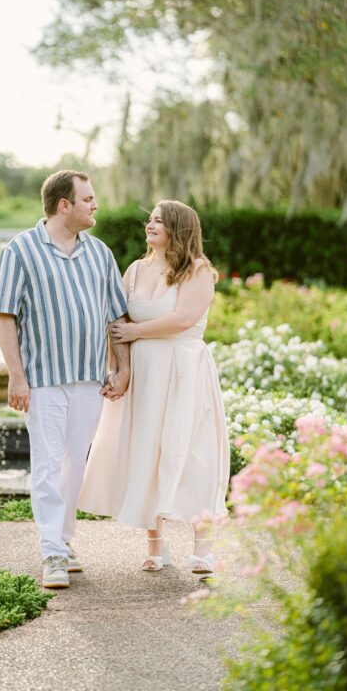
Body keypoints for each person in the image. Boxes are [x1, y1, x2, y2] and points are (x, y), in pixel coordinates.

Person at [0, 170, 131, 589]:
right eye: (88, 199)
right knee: (48, 465)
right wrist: (17, 377)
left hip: (90, 379)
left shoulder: (100, 253)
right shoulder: (20, 250)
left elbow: (116, 315)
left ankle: (65, 542)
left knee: (75, 468)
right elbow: (5, 316)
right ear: (63, 205)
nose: (95, 205)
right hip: (44, 380)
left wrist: (122, 368)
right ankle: (51, 551)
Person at [77, 201, 229, 577]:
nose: (150, 224)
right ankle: (155, 547)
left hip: (184, 370)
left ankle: (203, 548)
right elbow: (117, 323)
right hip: (145, 371)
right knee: (146, 449)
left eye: (159, 220)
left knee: (191, 452)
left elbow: (184, 319)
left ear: (178, 228)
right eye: (150, 219)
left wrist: (136, 331)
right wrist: (119, 368)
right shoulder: (135, 270)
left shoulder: (198, 271)